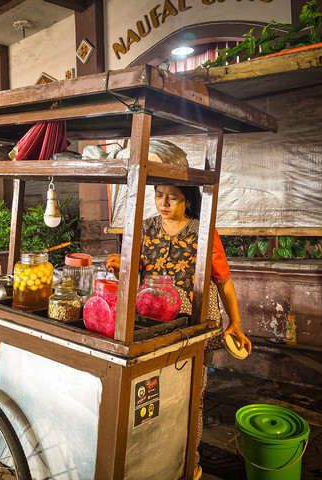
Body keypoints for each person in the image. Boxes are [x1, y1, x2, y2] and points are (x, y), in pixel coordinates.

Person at [104, 184, 251, 479]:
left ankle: (189, 464)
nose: (164, 202)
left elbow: (223, 280)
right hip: (154, 321)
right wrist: (120, 264)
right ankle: (154, 460)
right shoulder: (144, 228)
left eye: (172, 197)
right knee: (153, 391)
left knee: (192, 393)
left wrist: (235, 322)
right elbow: (134, 269)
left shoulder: (202, 231)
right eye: (159, 195)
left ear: (187, 200)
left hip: (194, 321)